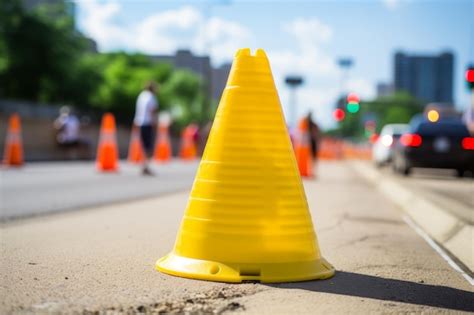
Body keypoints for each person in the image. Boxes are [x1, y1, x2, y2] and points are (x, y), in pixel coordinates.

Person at [134, 81, 159, 175]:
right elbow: (152, 111)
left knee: (144, 145)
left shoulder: (141, 96)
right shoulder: (152, 97)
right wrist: (155, 123)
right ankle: (145, 166)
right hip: (148, 123)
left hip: (139, 122)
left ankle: (144, 165)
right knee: (149, 146)